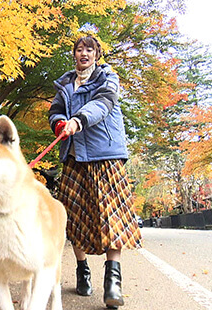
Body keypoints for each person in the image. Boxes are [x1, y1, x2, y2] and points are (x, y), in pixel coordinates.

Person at [48, 35, 142, 309]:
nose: (83, 53)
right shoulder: (64, 84)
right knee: (73, 217)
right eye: (79, 49)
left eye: (89, 49)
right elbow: (54, 111)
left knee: (112, 215)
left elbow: (103, 103)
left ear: (97, 54)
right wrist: (59, 124)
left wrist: (78, 120)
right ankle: (82, 270)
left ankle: (113, 282)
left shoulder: (107, 77)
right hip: (74, 158)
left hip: (105, 156)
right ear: (74, 55)